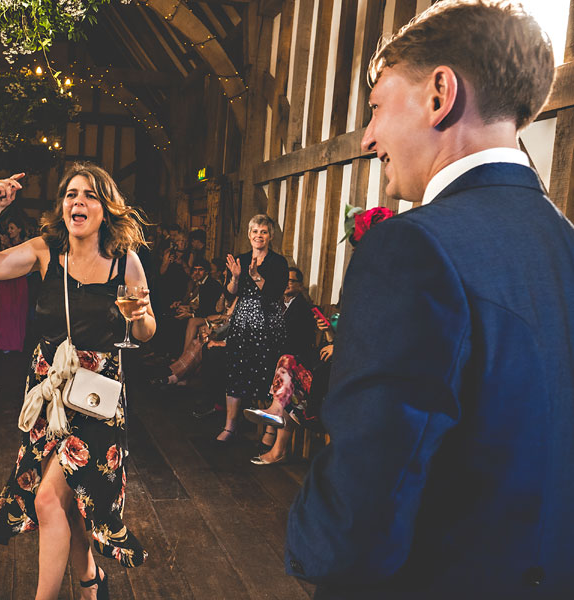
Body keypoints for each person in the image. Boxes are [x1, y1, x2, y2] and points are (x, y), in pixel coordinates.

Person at [286, 2, 572, 596]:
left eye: (376, 108)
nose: (368, 139)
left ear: (440, 93)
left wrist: (311, 550)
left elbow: (362, 510)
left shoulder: (412, 248)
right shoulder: (564, 241)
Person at [0, 163, 155, 600]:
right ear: (63, 206)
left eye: (90, 195)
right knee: (68, 506)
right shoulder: (45, 251)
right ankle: (91, 584)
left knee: (49, 499)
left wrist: (140, 316)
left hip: (96, 399)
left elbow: (148, 333)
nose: (79, 202)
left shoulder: (126, 262)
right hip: (50, 395)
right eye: (72, 194)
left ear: (106, 208)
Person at [216, 213, 289, 442]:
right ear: (249, 235)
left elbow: (275, 294)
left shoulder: (278, 262)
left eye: (264, 232)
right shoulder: (241, 258)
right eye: (255, 231)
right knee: (236, 370)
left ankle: (269, 429)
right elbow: (230, 293)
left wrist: (256, 275)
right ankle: (230, 426)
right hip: (243, 322)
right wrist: (236, 278)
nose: (259, 236)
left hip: (268, 322)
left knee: (267, 373)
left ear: (271, 236)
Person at [245, 267, 318, 464]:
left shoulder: (302, 308)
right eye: (286, 280)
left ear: (300, 286)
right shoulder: (277, 304)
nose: (288, 284)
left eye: (293, 281)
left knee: (281, 365)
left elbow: (299, 341)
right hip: (280, 360)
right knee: (256, 361)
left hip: (298, 359)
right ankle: (268, 424)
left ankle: (270, 427)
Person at [0, 213, 30, 352]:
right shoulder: (4, 243)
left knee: (17, 311)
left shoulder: (25, 245)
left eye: (12, 228)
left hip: (19, 281)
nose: (9, 231)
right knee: (4, 310)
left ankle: (16, 343)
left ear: (19, 229)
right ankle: (3, 343)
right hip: (6, 280)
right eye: (9, 228)